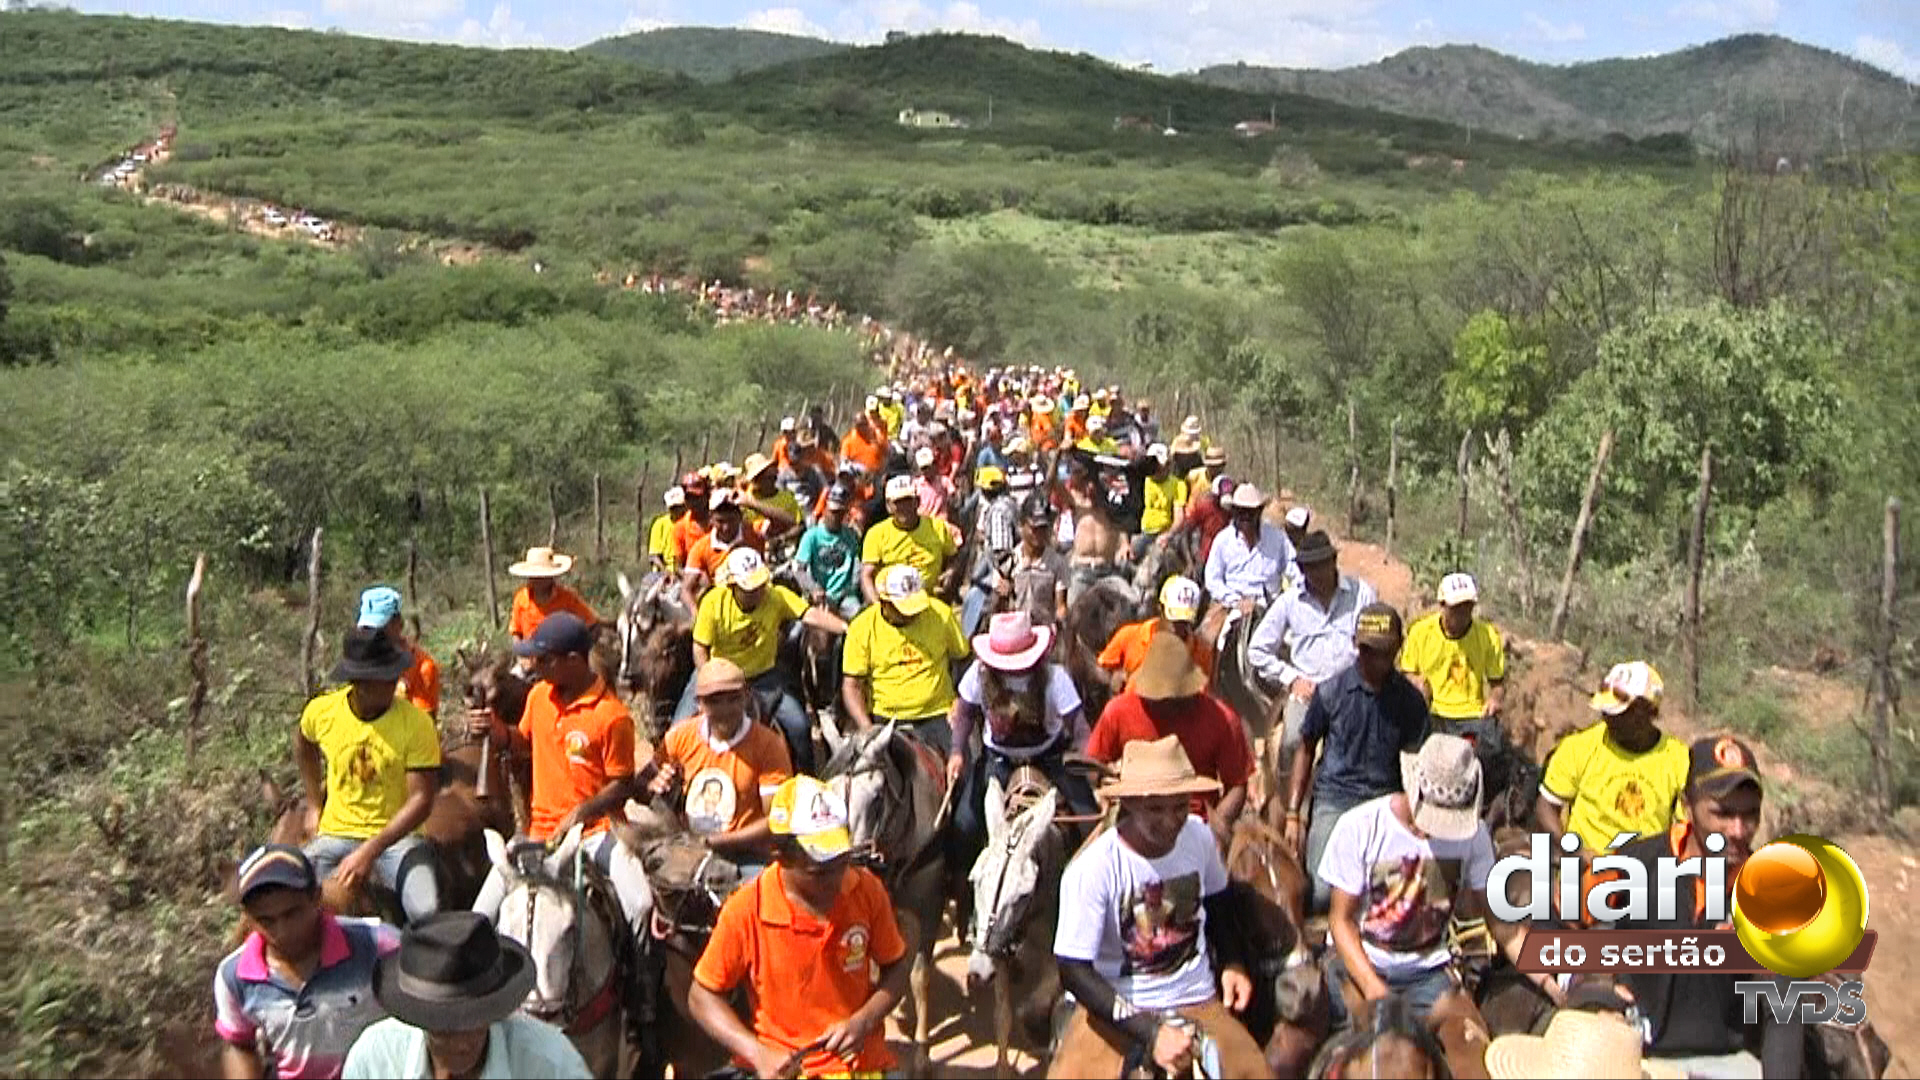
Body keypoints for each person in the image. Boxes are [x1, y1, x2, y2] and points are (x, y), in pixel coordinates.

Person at [1577, 736, 1803, 1080]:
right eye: (1722, 813)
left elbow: (1784, 1007)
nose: (1738, 830)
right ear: (1686, 806)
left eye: (1749, 815)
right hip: (1634, 1060)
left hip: (1729, 1063)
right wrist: (1601, 988)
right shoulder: (1632, 865)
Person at [1050, 737, 1269, 1080]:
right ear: (1131, 804)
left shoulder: (1199, 837)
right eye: (1155, 810)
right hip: (1116, 1010)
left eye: (1180, 807)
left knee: (1257, 1071)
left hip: (1197, 999)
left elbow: (1218, 903)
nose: (1170, 821)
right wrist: (1151, 1032)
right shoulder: (1093, 869)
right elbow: (1073, 970)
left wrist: (1232, 962)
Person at [688, 776, 912, 1080]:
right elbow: (701, 996)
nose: (836, 879)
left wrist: (865, 1020)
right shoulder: (747, 910)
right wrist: (756, 1052)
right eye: (820, 872)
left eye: (841, 862)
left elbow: (897, 965)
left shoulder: (866, 890)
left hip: (860, 1066)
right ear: (781, 857)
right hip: (782, 1069)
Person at [1317, 734, 1529, 1031]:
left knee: (1472, 1046)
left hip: (1427, 972)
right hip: (1362, 962)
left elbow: (1503, 927)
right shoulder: (1360, 827)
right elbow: (1341, 921)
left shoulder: (1475, 837)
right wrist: (1373, 987)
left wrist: (1551, 977)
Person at [469, 613, 652, 947]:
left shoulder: (612, 716)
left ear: (573, 660)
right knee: (481, 914)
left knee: (641, 905)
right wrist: (497, 733)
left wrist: (580, 814)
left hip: (597, 834)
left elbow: (622, 784)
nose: (534, 666)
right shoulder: (539, 696)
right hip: (540, 832)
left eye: (543, 660)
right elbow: (523, 742)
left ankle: (642, 986)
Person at [1282, 603, 1430, 914]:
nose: (1376, 660)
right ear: (1355, 645)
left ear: (1397, 649)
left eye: (1384, 652)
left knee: (1395, 893)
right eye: (1368, 650)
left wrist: (1420, 816)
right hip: (1335, 799)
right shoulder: (1332, 691)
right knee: (1322, 893)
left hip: (1387, 800)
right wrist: (1294, 814)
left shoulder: (1410, 701)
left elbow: (1419, 760)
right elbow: (1306, 747)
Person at [295, 627, 441, 923]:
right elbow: (303, 742)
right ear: (358, 682)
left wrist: (370, 850)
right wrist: (313, 805)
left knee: (427, 911)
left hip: (398, 840)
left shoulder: (416, 724)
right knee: (287, 894)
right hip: (337, 832)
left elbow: (422, 800)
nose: (394, 684)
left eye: (394, 675)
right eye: (383, 679)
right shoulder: (322, 712)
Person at [215, 845, 398, 1080]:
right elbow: (238, 1044)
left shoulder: (378, 945)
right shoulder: (234, 977)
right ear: (248, 917)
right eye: (266, 921)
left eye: (292, 914)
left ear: (316, 897)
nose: (282, 931)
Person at [341, 912, 591, 1079]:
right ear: (420, 1020)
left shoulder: (553, 1064)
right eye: (445, 1030)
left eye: (475, 1022)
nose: (462, 1043)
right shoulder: (373, 1061)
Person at [687, 546, 849, 776]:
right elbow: (700, 647)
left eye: (759, 584)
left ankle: (806, 779)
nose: (757, 591)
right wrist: (708, 681)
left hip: (764, 677)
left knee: (799, 727)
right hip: (720, 677)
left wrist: (846, 628)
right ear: (733, 585)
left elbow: (809, 615)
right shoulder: (713, 602)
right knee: (680, 724)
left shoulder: (776, 596)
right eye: (749, 587)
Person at [948, 611, 1096, 861]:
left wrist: (1090, 760)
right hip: (998, 760)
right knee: (964, 826)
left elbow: (1079, 726)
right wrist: (956, 752)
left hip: (1049, 758)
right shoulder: (978, 674)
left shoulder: (1055, 677)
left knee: (1090, 822)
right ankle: (960, 892)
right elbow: (964, 714)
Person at [1086, 632, 1254, 845]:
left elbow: (1237, 783)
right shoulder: (1118, 711)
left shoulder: (1222, 718)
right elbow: (1094, 764)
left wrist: (1217, 826)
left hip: (1198, 820)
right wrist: (1108, 781)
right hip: (1133, 817)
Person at [1535, 660, 1689, 859]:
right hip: (1586, 873)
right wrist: (1574, 850)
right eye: (1606, 711)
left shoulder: (1679, 760)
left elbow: (1688, 825)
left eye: (1620, 713)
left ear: (1648, 712)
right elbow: (1546, 806)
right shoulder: (1579, 748)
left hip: (1648, 875)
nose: (1609, 719)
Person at [648, 659, 792, 868]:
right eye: (714, 701)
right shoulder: (679, 737)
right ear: (698, 703)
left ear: (746, 697)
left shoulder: (768, 745)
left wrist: (718, 842)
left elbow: (776, 821)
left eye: (733, 699)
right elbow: (641, 784)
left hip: (747, 854)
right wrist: (655, 786)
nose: (725, 709)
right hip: (689, 850)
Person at [1249, 529, 1377, 760]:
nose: (1316, 572)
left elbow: (1376, 642)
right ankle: (1287, 794)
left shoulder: (1362, 595)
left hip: (1353, 689)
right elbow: (1257, 649)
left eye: (1321, 564)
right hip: (1309, 691)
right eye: (1309, 567)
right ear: (1301, 569)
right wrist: (1292, 678)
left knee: (1375, 740)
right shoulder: (1289, 602)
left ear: (1333, 561)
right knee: (1291, 742)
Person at [842, 565, 969, 758]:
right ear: (885, 602)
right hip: (887, 719)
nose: (911, 614)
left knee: (962, 766)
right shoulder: (862, 628)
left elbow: (965, 659)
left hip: (938, 713)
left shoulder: (940, 614)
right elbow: (852, 687)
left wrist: (960, 700)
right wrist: (867, 728)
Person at [1399, 572, 1507, 752]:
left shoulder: (1487, 635)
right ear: (1442, 605)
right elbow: (1406, 672)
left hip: (1472, 713)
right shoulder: (1421, 632)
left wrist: (1494, 699)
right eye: (1456, 607)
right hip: (1433, 711)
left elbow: (1497, 682)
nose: (1463, 613)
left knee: (1492, 749)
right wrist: (1417, 682)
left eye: (1467, 606)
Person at [1097, 575, 1214, 696]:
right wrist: (1113, 677)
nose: (1178, 627)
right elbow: (1100, 669)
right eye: (1173, 619)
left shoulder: (1201, 653)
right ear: (1160, 609)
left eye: (1184, 622)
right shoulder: (1129, 636)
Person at [859, 474, 961, 604]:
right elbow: (866, 575)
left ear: (918, 501)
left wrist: (951, 572)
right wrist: (876, 604)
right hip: (891, 604)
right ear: (888, 506)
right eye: (898, 503)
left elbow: (954, 558)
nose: (904, 508)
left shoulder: (937, 528)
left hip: (929, 599)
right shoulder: (876, 534)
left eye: (908, 501)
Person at [357, 586, 439, 719]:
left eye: (380, 629)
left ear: (399, 624)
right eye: (367, 629)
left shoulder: (422, 667)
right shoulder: (359, 660)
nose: (372, 636)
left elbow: (424, 726)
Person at [681, 488, 766, 612]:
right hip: (724, 608)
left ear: (740, 516)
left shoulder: (753, 532)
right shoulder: (702, 547)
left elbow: (790, 523)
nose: (726, 528)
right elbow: (686, 589)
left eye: (731, 520)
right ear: (711, 518)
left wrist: (751, 503)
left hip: (760, 601)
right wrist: (697, 615)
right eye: (720, 521)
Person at [960, 466, 1018, 638]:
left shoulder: (998, 511)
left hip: (994, 584)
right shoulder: (1008, 504)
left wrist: (1001, 582)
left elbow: (1002, 552)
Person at [792, 484, 865, 619]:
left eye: (840, 512)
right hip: (819, 595)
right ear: (825, 510)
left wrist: (853, 588)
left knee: (858, 617)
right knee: (796, 632)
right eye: (832, 512)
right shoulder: (811, 536)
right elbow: (798, 569)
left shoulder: (851, 536)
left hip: (845, 596)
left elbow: (857, 565)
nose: (835, 517)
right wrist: (813, 588)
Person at [506, 547, 598, 655]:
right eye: (533, 576)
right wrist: (521, 656)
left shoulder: (568, 598)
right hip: (530, 655)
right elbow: (516, 632)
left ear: (551, 576)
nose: (537, 579)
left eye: (542, 576)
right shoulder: (521, 599)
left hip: (561, 658)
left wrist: (579, 652)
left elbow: (592, 625)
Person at [1004, 493, 1070, 629]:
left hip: (1045, 632)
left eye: (1043, 529)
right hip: (1014, 631)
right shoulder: (1009, 560)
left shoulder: (1057, 563)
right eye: (1034, 529)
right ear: (1022, 525)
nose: (1039, 534)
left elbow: (1060, 605)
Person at [738, 452, 802, 550]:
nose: (760, 481)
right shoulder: (745, 500)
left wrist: (781, 539)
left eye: (765, 475)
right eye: (757, 478)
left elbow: (798, 525)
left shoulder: (787, 498)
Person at [1135, 443, 1187, 562]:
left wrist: (1168, 535)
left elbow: (1179, 517)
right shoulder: (1143, 480)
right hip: (1145, 531)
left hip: (1165, 531)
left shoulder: (1178, 485)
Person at [648, 486, 688, 574]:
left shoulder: (689, 523)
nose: (675, 510)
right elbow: (654, 555)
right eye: (672, 508)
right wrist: (665, 571)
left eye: (678, 507)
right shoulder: (659, 524)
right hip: (663, 572)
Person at [911, 445, 951, 521]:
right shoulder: (916, 484)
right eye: (924, 468)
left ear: (934, 465)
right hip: (923, 521)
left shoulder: (944, 481)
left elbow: (954, 496)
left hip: (940, 521)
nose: (927, 471)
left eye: (928, 467)